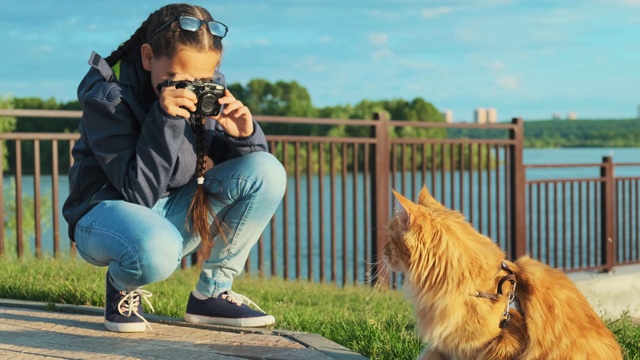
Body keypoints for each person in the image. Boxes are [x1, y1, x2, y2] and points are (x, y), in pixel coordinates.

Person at [62, 3, 286, 333]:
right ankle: (122, 284)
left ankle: (212, 294)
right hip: (106, 216)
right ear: (148, 57)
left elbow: (249, 179)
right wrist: (165, 119)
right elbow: (137, 192)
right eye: (175, 78)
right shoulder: (109, 98)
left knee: (267, 169)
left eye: (204, 79)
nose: (191, 89)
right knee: (157, 248)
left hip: (168, 215)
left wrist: (246, 136)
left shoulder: (204, 88)